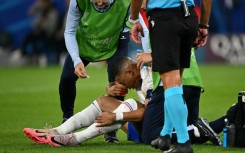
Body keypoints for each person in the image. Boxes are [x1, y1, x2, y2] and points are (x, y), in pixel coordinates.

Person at [23, 57, 222, 147]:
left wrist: (116, 116)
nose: (122, 87)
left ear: (130, 71)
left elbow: (147, 112)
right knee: (104, 100)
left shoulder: (150, 76)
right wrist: (111, 90)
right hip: (146, 126)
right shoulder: (138, 81)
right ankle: (58, 131)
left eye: (121, 81)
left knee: (132, 108)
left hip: (159, 125)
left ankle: (76, 139)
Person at [130, 0, 212, 152]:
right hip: (189, 17)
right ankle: (165, 135)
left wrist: (134, 19)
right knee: (175, 82)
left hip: (164, 18)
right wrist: (203, 24)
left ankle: (183, 142)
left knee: (170, 82)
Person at [59, 0, 131, 142]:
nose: (98, 3)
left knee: (118, 84)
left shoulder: (126, 2)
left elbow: (129, 28)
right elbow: (69, 31)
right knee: (67, 78)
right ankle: (67, 118)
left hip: (114, 45)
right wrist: (76, 60)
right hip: (84, 45)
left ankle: (111, 129)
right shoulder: (78, 2)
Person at [21, 0, 59, 66]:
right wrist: (36, 4)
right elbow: (29, 12)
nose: (42, 5)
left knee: (38, 39)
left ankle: (41, 57)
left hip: (49, 35)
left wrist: (43, 23)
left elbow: (51, 29)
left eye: (43, 3)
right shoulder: (40, 11)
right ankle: (25, 54)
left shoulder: (52, 13)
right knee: (30, 36)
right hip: (39, 33)